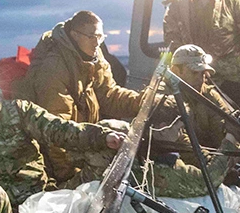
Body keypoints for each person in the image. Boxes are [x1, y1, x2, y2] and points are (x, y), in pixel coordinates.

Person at [0, 61, 125, 211]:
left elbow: (59, 129)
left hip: (41, 198)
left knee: (106, 151)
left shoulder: (18, 111)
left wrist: (101, 136)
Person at [16, 10, 149, 186]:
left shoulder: (93, 58)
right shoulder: (54, 69)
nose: (97, 43)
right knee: (107, 149)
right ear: (75, 35)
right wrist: (68, 179)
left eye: (100, 37)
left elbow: (109, 95)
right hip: (62, 154)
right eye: (91, 36)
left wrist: (144, 102)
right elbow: (56, 132)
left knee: (123, 132)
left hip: (83, 139)